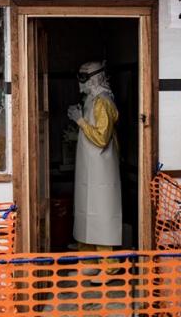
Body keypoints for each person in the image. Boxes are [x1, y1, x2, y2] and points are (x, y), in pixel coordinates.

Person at [67, 61, 122, 257]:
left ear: (95, 78)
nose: (80, 81)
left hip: (101, 168)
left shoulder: (103, 101)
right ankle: (88, 260)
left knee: (102, 214)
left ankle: (108, 265)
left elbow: (101, 138)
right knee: (85, 213)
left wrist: (79, 121)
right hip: (89, 165)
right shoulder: (91, 99)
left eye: (84, 77)